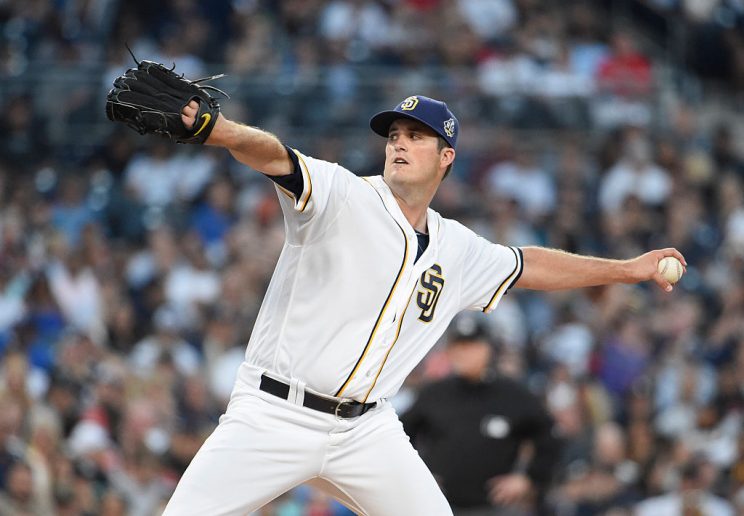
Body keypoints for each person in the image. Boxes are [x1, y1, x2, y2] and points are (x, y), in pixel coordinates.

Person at [155, 94, 685, 515]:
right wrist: (215, 130)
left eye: (416, 136)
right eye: (394, 135)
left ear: (446, 156)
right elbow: (275, 156)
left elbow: (529, 264)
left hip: (364, 430)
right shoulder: (344, 195)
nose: (399, 144)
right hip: (274, 413)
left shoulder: (458, 247)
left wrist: (626, 270)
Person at [401, 314, 560, 515]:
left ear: (488, 348)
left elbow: (549, 436)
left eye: (471, 345)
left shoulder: (513, 394)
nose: (463, 353)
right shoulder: (434, 393)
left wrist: (529, 478)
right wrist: (418, 475)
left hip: (495, 508)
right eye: (458, 346)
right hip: (440, 507)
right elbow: (400, 434)